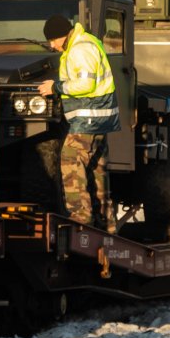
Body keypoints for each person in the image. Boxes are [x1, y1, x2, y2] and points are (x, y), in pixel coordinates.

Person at [36, 12, 119, 229]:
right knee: (95, 168)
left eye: (52, 40)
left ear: (62, 35)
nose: (52, 46)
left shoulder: (80, 49)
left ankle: (80, 216)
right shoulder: (86, 44)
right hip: (99, 117)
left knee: (70, 158)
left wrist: (56, 87)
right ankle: (106, 220)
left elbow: (85, 85)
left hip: (90, 116)